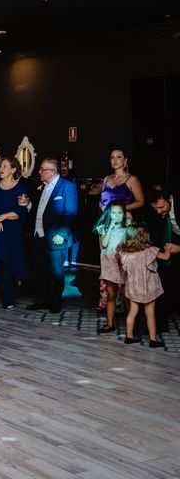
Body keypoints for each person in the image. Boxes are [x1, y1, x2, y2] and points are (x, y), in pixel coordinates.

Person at [27, 158, 78, 313]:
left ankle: (55, 302)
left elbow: (71, 212)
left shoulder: (67, 187)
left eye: (42, 169)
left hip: (55, 237)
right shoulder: (41, 188)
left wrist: (62, 234)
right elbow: (38, 210)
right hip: (38, 236)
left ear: (52, 171)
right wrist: (28, 205)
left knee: (56, 273)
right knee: (39, 271)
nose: (39, 172)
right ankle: (42, 299)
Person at [97, 148, 144, 310]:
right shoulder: (106, 179)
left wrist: (122, 211)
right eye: (112, 157)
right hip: (106, 225)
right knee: (107, 262)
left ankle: (126, 304)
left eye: (119, 157)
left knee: (123, 263)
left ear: (125, 161)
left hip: (124, 224)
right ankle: (108, 301)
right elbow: (103, 201)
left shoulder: (132, 179)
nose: (115, 160)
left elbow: (141, 201)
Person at [0, 157, 29, 308]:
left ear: (13, 170)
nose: (1, 168)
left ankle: (8, 301)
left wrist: (2, 217)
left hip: (12, 233)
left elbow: (20, 212)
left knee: (11, 267)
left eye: (5, 166)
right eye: (1, 165)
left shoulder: (21, 188)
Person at [117, 224, 171, 348]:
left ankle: (129, 337)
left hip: (133, 288)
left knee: (132, 311)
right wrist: (167, 249)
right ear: (145, 236)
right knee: (150, 312)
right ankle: (153, 340)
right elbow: (166, 256)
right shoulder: (150, 251)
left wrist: (119, 249)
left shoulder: (124, 254)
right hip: (149, 287)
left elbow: (117, 256)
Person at [147, 185, 180, 334]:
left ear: (170, 199)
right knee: (164, 284)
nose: (159, 211)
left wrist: (179, 248)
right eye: (155, 209)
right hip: (169, 250)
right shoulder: (158, 213)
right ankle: (161, 324)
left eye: (161, 207)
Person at [94, 201, 129, 333]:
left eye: (120, 213)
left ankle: (131, 324)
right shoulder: (103, 228)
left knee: (127, 295)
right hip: (109, 264)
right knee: (111, 294)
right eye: (114, 213)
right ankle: (110, 323)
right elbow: (103, 244)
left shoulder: (128, 228)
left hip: (124, 264)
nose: (117, 215)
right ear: (109, 214)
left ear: (124, 214)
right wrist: (110, 226)